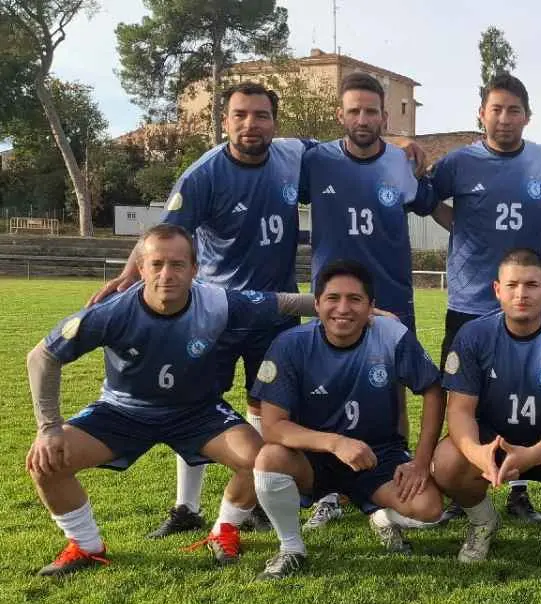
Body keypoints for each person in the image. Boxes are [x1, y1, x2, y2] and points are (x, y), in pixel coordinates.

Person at [87, 81, 424, 539]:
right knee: (196, 404)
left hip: (277, 307)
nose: (251, 124)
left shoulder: (294, 155)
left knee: (266, 404)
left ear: (275, 123)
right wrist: (132, 275)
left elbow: (355, 142)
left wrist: (403, 142)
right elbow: (165, 232)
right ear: (224, 121)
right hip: (216, 310)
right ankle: (186, 506)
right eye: (240, 115)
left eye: (260, 116)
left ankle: (265, 492)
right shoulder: (204, 173)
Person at [25, 225, 319, 576]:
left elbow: (284, 303)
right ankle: (86, 545)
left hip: (198, 412)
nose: (167, 274)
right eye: (157, 264)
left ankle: (224, 529)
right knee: (46, 462)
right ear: (141, 268)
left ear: (195, 269)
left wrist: (344, 308)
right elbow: (42, 356)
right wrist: (49, 428)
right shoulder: (113, 312)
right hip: (122, 411)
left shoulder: (216, 302)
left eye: (178, 265)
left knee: (260, 461)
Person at [298, 72, 437, 532]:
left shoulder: (400, 165)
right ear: (339, 115)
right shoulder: (315, 160)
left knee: (395, 386)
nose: (362, 118)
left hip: (391, 295)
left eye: (371, 111)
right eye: (353, 110)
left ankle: (398, 471)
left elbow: (429, 198)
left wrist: (408, 147)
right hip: (334, 300)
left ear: (383, 115)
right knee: (326, 384)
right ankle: (330, 490)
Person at [428, 73, 541, 524]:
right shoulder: (457, 163)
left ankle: (520, 490)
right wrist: (464, 226)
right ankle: (464, 485)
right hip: (471, 302)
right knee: (467, 400)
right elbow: (427, 200)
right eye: (496, 109)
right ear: (481, 113)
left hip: (529, 304)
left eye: (513, 110)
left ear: (527, 116)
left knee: (532, 399)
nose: (504, 119)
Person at [250, 260, 446, 579]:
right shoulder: (290, 344)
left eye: (355, 299)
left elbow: (433, 390)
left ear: (371, 307)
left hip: (378, 454)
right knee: (269, 457)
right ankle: (290, 548)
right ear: (316, 304)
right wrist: (335, 443)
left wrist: (421, 462)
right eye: (333, 298)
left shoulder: (391, 335)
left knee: (430, 511)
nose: (343, 308)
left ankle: (383, 516)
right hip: (315, 457)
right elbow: (273, 426)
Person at [433, 249, 541, 570]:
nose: (521, 294)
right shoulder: (473, 335)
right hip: (493, 443)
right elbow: (459, 411)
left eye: (531, 285)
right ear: (497, 289)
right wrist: (476, 452)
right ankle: (483, 522)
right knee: (447, 461)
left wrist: (531, 455)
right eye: (512, 285)